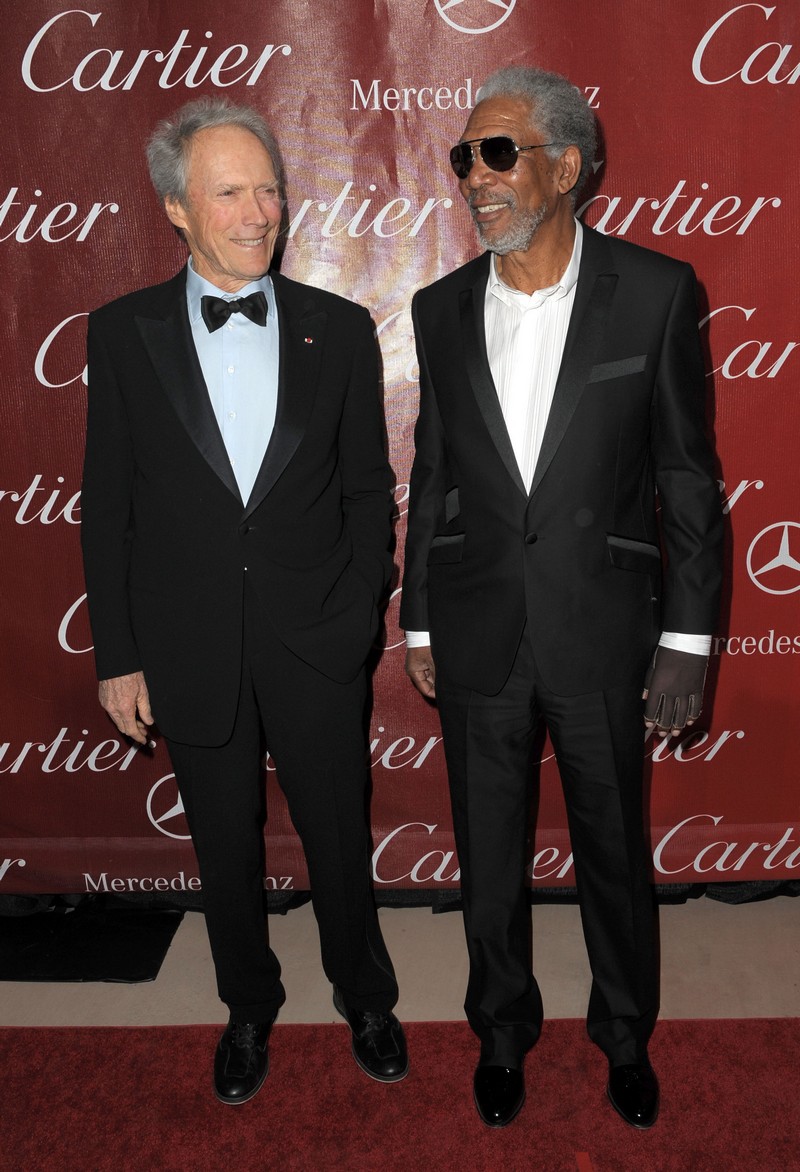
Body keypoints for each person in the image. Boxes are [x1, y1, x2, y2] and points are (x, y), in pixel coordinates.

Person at [401, 66, 723, 1130]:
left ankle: (624, 1034)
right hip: (477, 623)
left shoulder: (656, 290)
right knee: (486, 855)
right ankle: (500, 1033)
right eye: (464, 157)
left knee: (614, 852)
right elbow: (434, 473)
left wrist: (686, 639)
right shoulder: (440, 307)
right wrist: (417, 614)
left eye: (497, 153)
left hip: (603, 625)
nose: (474, 177)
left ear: (567, 164)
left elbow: (686, 479)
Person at [81, 97, 407, 1105]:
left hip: (318, 636)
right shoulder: (122, 333)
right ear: (176, 208)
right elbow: (109, 505)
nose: (260, 212)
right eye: (230, 193)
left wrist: (358, 608)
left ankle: (365, 995)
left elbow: (367, 491)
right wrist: (118, 655)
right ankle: (248, 1006)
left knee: (339, 835)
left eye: (268, 189)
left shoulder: (338, 329)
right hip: (187, 640)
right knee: (222, 845)